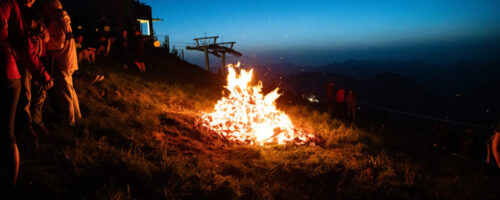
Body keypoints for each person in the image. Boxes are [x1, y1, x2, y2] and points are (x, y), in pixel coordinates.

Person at [1, 0, 53, 197]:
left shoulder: (25, 11)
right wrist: (43, 74)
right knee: (7, 134)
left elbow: (36, 41)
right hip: (9, 72)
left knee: (8, 132)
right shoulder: (13, 5)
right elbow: (24, 44)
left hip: (10, 71)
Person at [40, 0, 81, 126]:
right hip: (69, 58)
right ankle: (77, 118)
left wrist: (45, 43)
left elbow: (58, 44)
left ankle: (69, 122)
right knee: (70, 89)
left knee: (65, 93)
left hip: (62, 60)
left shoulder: (56, 21)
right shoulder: (64, 20)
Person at [17, 0, 51, 143]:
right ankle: (26, 128)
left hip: (36, 58)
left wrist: (40, 30)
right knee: (26, 94)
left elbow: (47, 36)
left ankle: (37, 121)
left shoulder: (35, 14)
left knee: (40, 91)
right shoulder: (18, 10)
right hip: (23, 60)